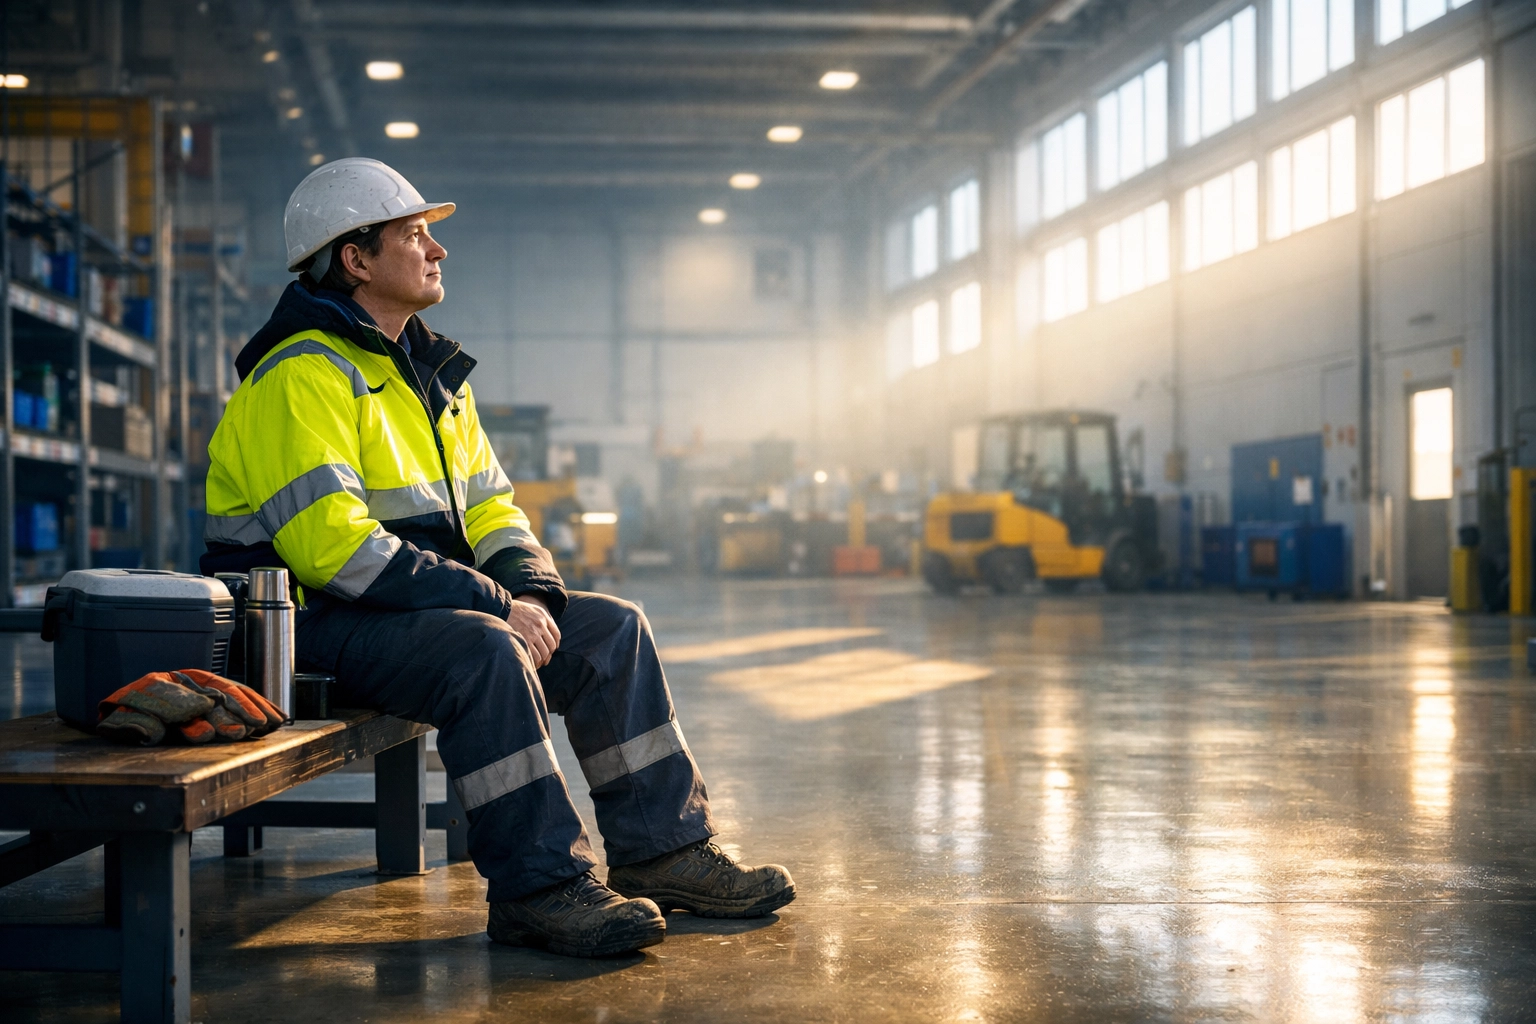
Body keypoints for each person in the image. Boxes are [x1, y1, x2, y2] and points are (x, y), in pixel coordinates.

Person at [201, 158, 794, 958]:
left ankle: (665, 852)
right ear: (356, 257)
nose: (437, 251)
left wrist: (534, 595)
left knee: (611, 629)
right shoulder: (300, 373)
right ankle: (539, 889)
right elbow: (332, 550)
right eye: (415, 235)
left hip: (414, 616)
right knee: (484, 646)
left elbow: (493, 508)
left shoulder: (433, 377)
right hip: (310, 628)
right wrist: (493, 606)